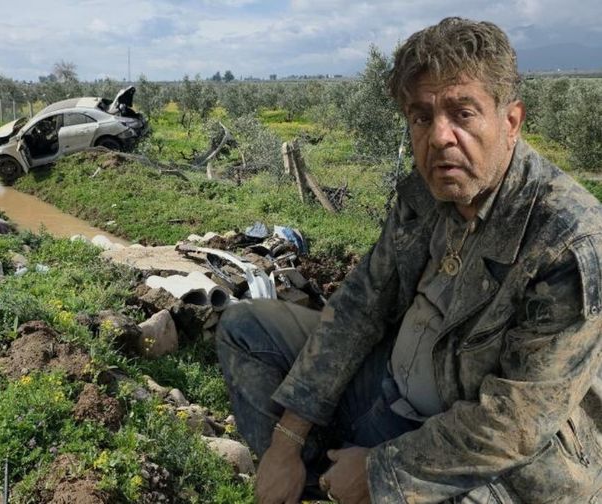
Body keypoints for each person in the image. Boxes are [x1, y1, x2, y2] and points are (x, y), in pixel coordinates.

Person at [216, 17, 602, 504]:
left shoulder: (565, 240)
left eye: (463, 113)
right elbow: (360, 305)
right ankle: (316, 483)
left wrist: (382, 472)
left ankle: (351, 477)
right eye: (422, 117)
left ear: (511, 121)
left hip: (501, 457)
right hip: (391, 389)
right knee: (247, 328)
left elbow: (516, 424)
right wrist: (287, 440)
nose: (440, 137)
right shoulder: (424, 193)